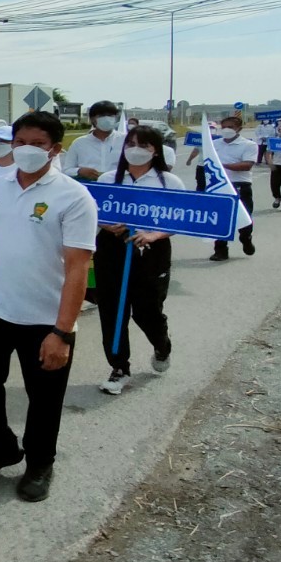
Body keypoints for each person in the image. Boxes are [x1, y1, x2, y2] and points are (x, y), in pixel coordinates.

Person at [0, 112, 97, 502]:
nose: (26, 150)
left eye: (37, 144)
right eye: (20, 142)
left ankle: (40, 462)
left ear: (55, 149)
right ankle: (1, 446)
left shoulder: (73, 197)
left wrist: (62, 332)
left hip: (46, 320)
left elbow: (78, 268)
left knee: (44, 399)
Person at [94, 127, 185, 395]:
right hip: (112, 249)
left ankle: (162, 345)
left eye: (143, 145)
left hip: (151, 251)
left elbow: (181, 218)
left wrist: (154, 234)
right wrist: (106, 225)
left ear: (155, 150)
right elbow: (94, 210)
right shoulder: (108, 178)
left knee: (148, 311)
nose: (135, 149)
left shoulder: (169, 182)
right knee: (112, 311)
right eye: (130, 143)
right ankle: (119, 367)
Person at [210, 115, 256, 261]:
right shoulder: (214, 144)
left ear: (239, 129)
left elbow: (247, 165)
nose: (226, 130)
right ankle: (220, 250)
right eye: (224, 127)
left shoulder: (248, 145)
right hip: (219, 185)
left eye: (230, 127)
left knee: (244, 217)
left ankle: (246, 238)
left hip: (240, 184)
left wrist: (222, 166)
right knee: (220, 218)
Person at [61, 100, 124, 181]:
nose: (107, 119)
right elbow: (66, 170)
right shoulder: (79, 143)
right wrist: (79, 171)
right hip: (88, 185)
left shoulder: (126, 140)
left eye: (110, 115)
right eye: (102, 115)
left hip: (118, 185)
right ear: (92, 119)